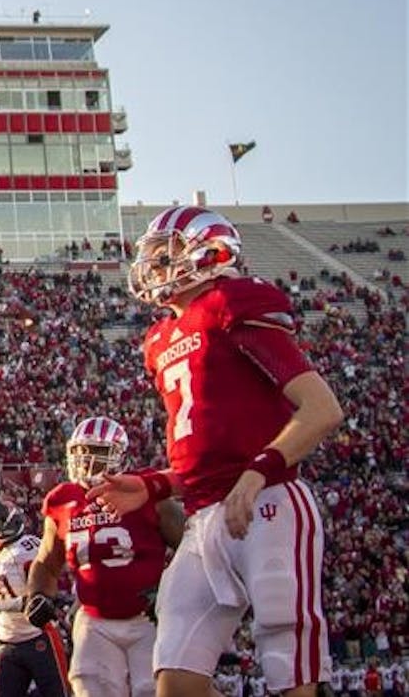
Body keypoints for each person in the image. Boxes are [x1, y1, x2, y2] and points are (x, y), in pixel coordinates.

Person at [92, 206, 344, 697]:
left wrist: (257, 472)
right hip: (205, 516)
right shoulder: (160, 338)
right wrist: (153, 485)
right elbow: (207, 453)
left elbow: (322, 409)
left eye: (167, 256)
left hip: (270, 501)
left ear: (209, 253)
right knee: (175, 673)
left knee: (286, 657)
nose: (156, 266)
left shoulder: (231, 302)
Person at [28, 417, 186, 697]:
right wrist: (39, 594)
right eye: (81, 453)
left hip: (147, 618)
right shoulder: (62, 500)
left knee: (151, 689)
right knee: (91, 688)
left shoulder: (144, 491)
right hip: (94, 619)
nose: (87, 462)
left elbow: (190, 544)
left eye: (98, 453)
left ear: (119, 457)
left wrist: (170, 591)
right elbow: (46, 563)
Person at [0, 501, 68, 697]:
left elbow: (43, 600)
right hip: (7, 643)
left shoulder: (27, 548)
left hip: (39, 637)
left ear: (12, 523)